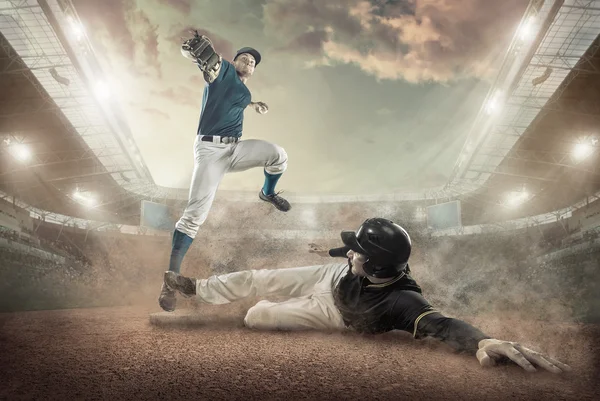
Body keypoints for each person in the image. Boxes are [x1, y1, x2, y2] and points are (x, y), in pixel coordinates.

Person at [162, 217, 571, 374]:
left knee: (258, 316)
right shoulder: (367, 261)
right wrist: (334, 253)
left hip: (335, 313)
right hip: (332, 276)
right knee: (260, 277)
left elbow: (442, 324)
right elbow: (354, 254)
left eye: (358, 249)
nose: (352, 249)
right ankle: (198, 289)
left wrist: (483, 339)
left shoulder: (401, 300)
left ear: (375, 266)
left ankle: (248, 311)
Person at [159, 31, 291, 312]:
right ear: (234, 61)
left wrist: (254, 104)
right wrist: (197, 52)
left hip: (235, 150)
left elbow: (238, 100)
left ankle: (267, 193)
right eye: (244, 57)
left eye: (253, 61)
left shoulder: (244, 90)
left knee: (278, 155)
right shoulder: (224, 71)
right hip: (210, 153)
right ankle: (169, 281)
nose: (248, 62)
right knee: (194, 215)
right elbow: (210, 65)